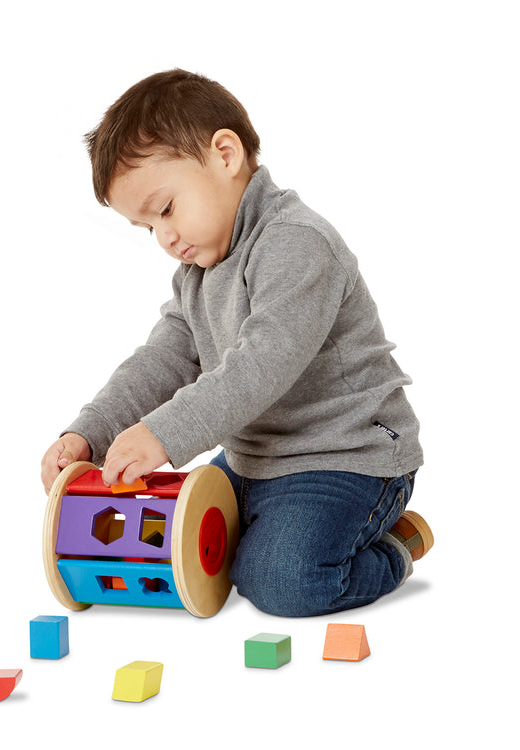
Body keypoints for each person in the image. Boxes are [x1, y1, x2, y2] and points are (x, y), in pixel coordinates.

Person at [40, 69, 433, 617]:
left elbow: (261, 366)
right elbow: (164, 359)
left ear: (225, 154)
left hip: (347, 456)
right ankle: (285, 527)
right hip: (254, 461)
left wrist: (164, 433)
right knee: (172, 544)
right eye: (147, 227)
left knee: (277, 580)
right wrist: (91, 431)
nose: (165, 238)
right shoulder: (198, 271)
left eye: (167, 209)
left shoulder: (297, 243)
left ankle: (393, 546)